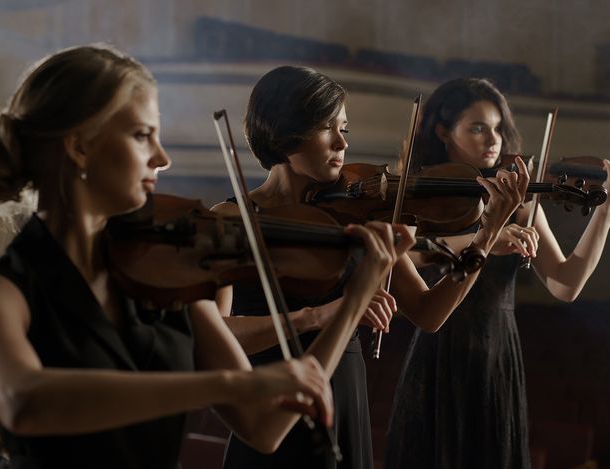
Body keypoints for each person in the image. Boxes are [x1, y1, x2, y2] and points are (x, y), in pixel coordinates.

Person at [0, 44, 410, 469]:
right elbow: (26, 402)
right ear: (79, 146)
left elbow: (265, 427)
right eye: (141, 135)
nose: (162, 158)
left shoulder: (169, 277)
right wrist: (227, 383)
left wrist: (351, 304)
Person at [211, 66, 529, 468]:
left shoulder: (361, 217)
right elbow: (217, 334)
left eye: (344, 128)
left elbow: (430, 314)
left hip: (344, 395)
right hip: (268, 398)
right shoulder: (231, 218)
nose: (342, 142)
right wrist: (315, 317)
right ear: (285, 130)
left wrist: (486, 234)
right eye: (327, 126)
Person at [384, 77, 610, 469]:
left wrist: (608, 209)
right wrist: (484, 240)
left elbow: (565, 283)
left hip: (497, 353)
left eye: (499, 129)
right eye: (478, 127)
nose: (494, 139)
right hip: (440, 352)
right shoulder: (420, 195)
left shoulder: (518, 202)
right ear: (442, 132)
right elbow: (411, 253)